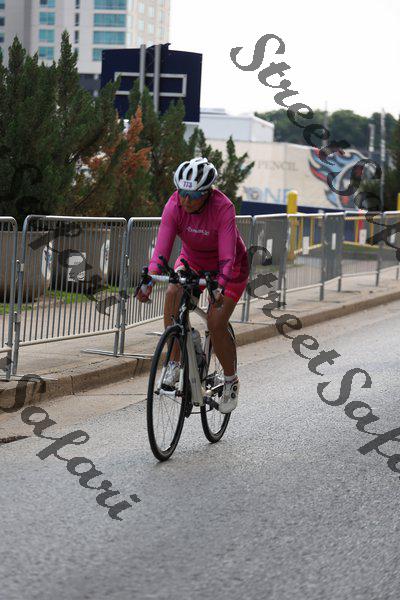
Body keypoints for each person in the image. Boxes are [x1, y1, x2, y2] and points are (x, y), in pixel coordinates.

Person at [136, 157, 249, 413]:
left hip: (230, 268)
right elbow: (161, 250)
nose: (186, 200)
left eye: (194, 195)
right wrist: (149, 279)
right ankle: (174, 363)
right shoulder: (174, 204)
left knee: (216, 323)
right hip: (192, 260)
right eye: (182, 193)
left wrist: (219, 286)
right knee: (173, 291)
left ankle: (230, 380)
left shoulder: (223, 207)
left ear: (207, 193)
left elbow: (228, 256)